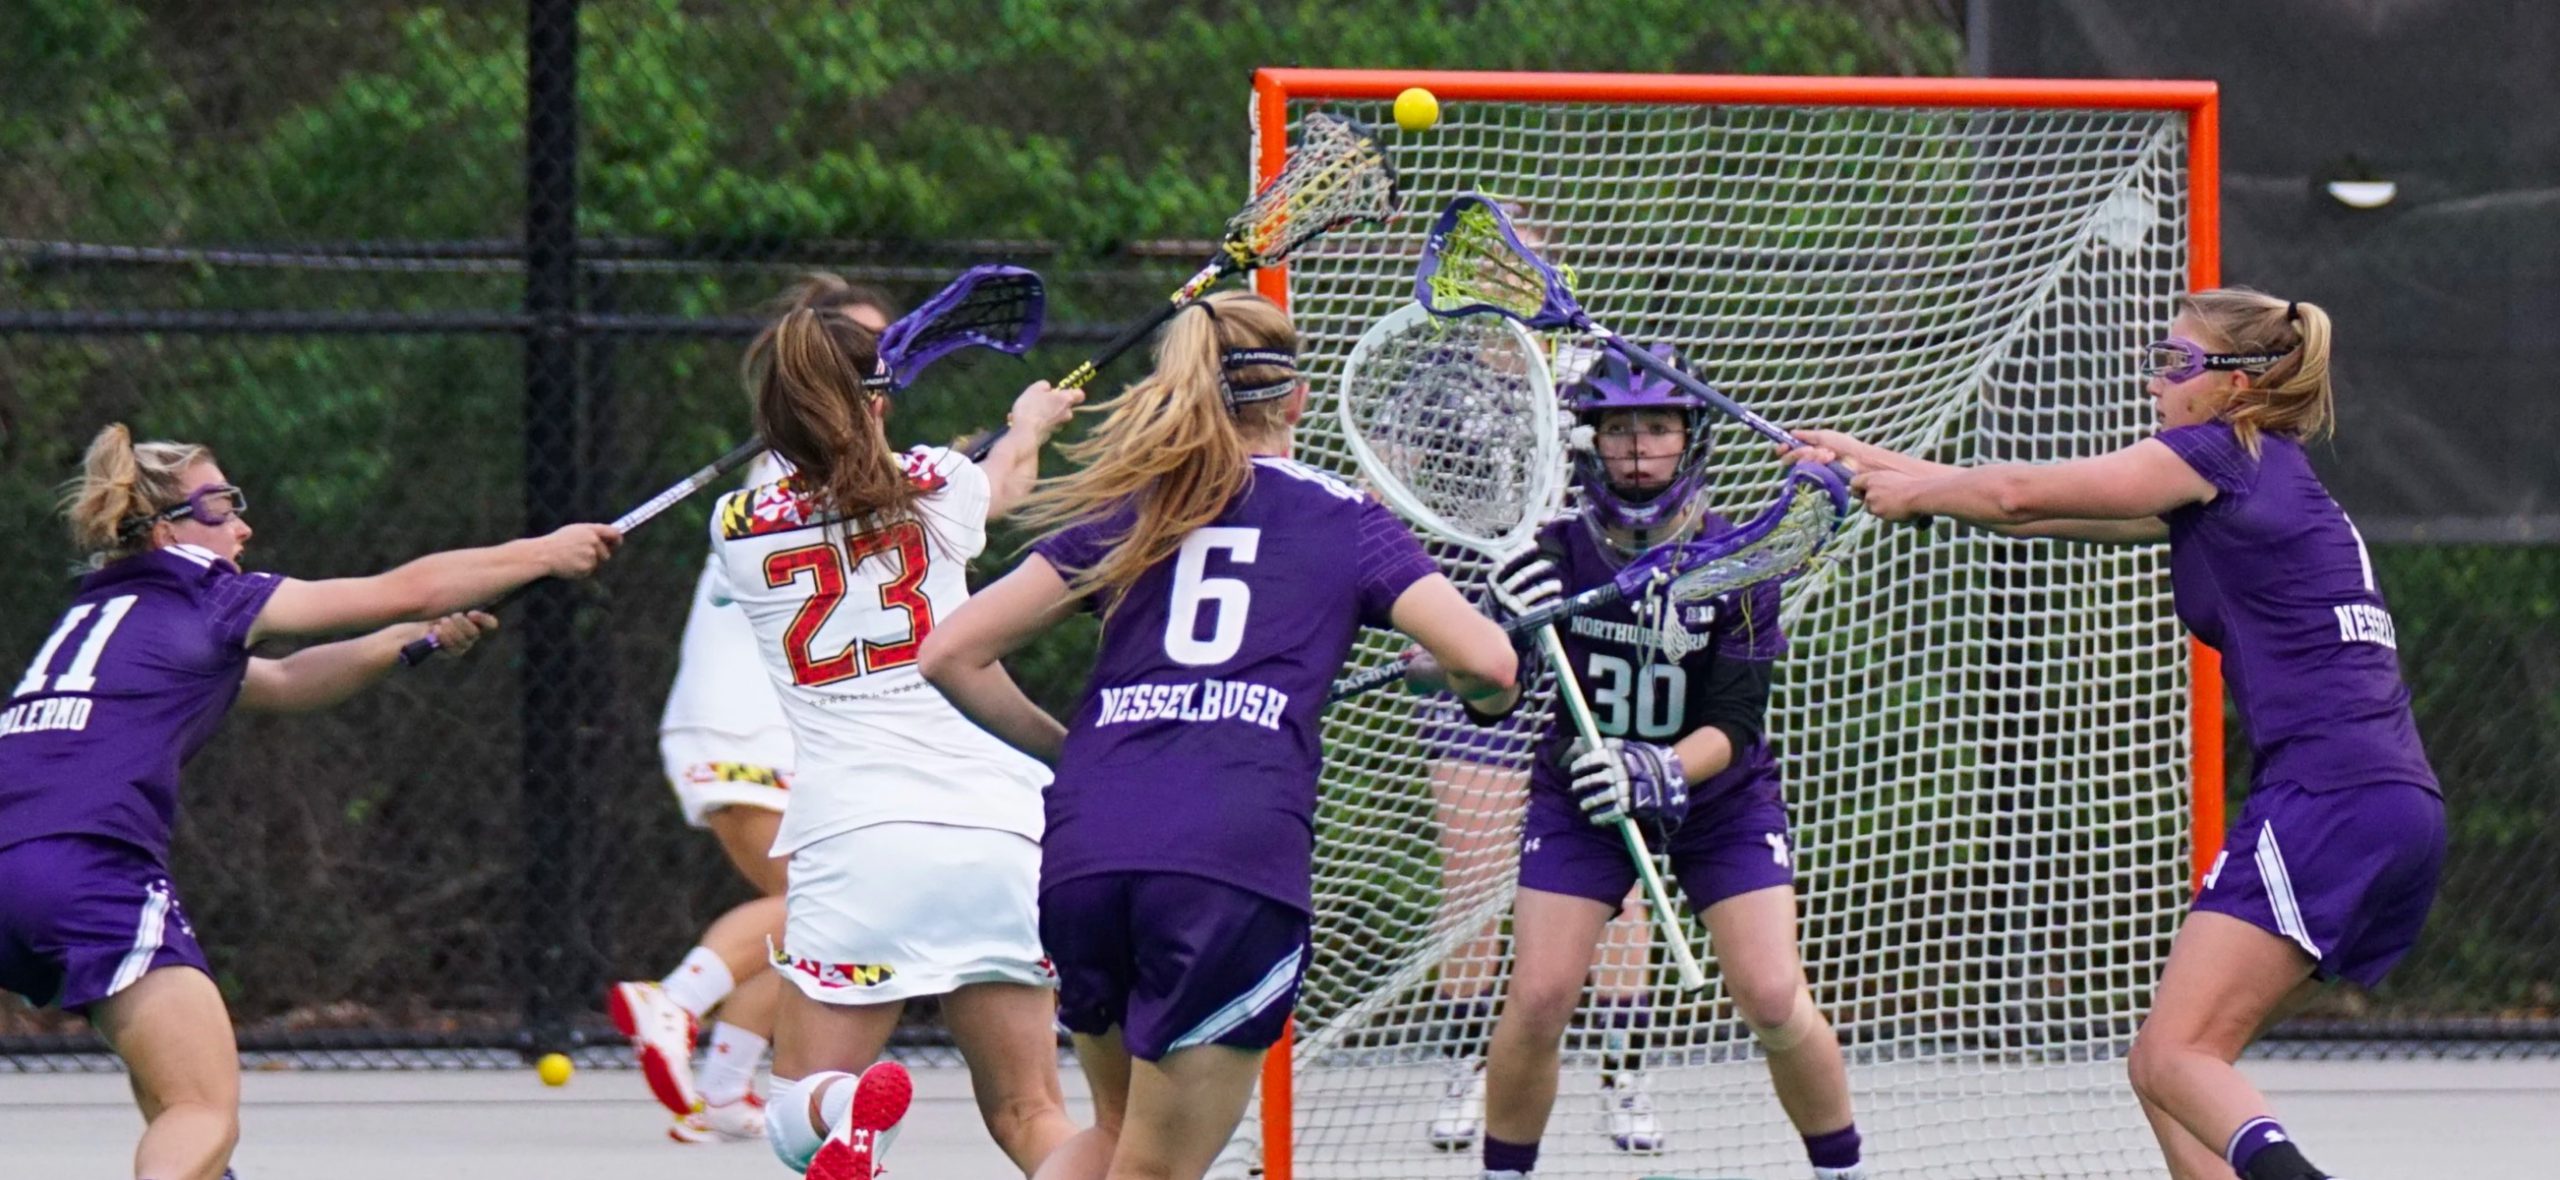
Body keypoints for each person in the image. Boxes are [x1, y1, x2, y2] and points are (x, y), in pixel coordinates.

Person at [1788, 289, 2442, 1180]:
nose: (2155, 386)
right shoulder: (2259, 476)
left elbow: (2018, 495)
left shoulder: (2220, 453)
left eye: (2176, 366)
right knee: (2162, 1066)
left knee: (2177, 1060)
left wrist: (1916, 495)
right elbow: (2054, 510)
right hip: (2383, 799)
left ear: (2237, 385)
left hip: (2329, 795)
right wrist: (1873, 464)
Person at [918, 290, 1524, 1180]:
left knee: (1114, 1140)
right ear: (1299, 400)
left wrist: (1072, 750)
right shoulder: (1343, 517)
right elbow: (1491, 665)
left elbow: (949, 653)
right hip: (1226, 861)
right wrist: (1461, 679)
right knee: (1155, 1169)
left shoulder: (1137, 503)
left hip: (1092, 842)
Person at [0, 424, 618, 1180]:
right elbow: (409, 585)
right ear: (167, 529)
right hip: (86, 867)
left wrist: (409, 640)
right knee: (202, 1113)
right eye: (221, 506)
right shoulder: (203, 589)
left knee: (176, 1104)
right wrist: (546, 552)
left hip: (16, 866)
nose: (242, 525)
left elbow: (283, 683)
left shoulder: (98, 616)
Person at [1437, 348, 1866, 1180]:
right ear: (1589, 442)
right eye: (1619, 429)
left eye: (1657, 427)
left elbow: (1736, 725)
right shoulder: (1553, 558)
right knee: (1538, 999)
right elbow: (1490, 703)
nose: (1637, 448)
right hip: (1584, 800)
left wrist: (1658, 768)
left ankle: (1841, 1168)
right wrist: (1492, 634)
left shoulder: (1740, 558)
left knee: (1775, 1000)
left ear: (1691, 436)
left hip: (1721, 802)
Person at [710, 299, 1083, 1180]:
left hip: (859, 839)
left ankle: (848, 1109)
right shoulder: (943, 483)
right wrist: (1028, 421)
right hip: (997, 829)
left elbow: (818, 500)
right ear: (878, 401)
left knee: (798, 1117)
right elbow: (1010, 476)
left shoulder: (735, 528)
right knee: (1032, 1113)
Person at [607, 273, 899, 1145]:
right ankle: (676, 999)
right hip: (741, 721)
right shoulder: (798, 467)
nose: (882, 360)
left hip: (775, 727)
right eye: (862, 344)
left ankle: (729, 1085)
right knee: (813, 901)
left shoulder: (833, 464)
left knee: (826, 914)